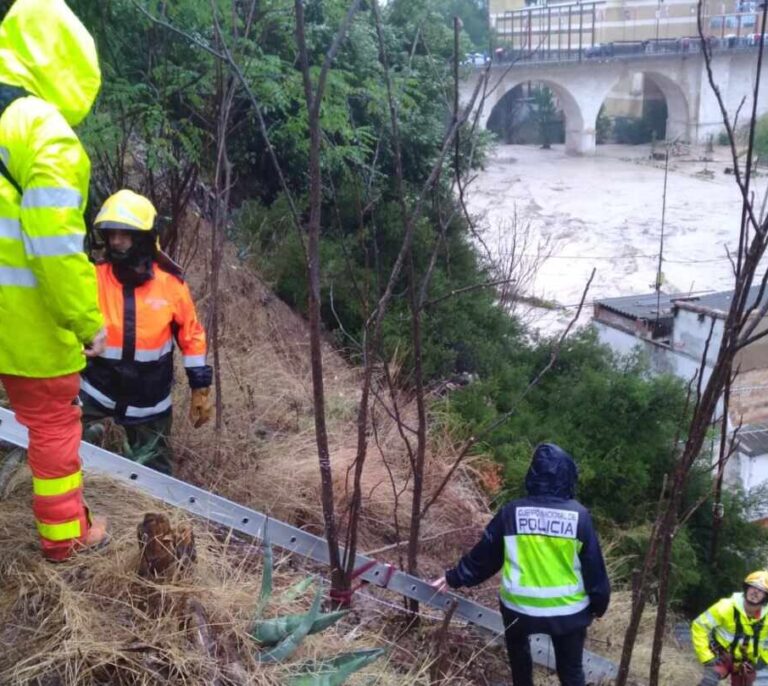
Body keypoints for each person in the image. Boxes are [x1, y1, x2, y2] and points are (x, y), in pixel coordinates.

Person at [0, 0, 109, 561]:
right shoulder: (46, 134)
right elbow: (54, 246)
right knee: (52, 428)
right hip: (26, 327)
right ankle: (66, 540)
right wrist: (86, 320)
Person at [431, 443, 610, 686]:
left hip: (519, 609)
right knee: (571, 672)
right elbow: (594, 568)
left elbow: (485, 556)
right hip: (568, 613)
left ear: (532, 474)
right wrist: (599, 605)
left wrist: (454, 577)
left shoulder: (512, 512)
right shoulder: (579, 516)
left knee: (520, 666)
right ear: (568, 475)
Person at [80, 189, 213, 474]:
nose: (116, 241)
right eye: (112, 234)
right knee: (64, 443)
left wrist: (199, 387)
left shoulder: (171, 285)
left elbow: (192, 336)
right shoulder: (94, 277)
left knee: (158, 478)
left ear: (142, 237)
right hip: (96, 392)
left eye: (124, 234)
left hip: (149, 403)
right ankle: (97, 436)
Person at [691, 571, 768, 686]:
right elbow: (699, 626)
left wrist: (764, 659)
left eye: (761, 590)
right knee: (708, 683)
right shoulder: (725, 606)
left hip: (746, 662)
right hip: (720, 656)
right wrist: (707, 658)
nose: (755, 592)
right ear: (746, 589)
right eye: (753, 587)